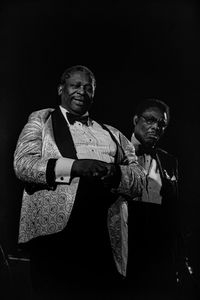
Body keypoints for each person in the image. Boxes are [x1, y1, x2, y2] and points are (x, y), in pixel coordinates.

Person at [13, 65, 146, 300]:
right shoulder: (41, 121)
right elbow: (23, 164)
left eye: (88, 88)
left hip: (104, 235)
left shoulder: (113, 133)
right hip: (56, 235)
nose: (82, 91)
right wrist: (75, 167)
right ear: (60, 89)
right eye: (75, 85)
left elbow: (138, 180)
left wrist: (115, 173)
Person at [125, 98, 195, 300]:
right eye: (150, 120)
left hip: (158, 252)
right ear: (136, 119)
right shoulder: (115, 151)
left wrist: (181, 260)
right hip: (126, 246)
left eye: (161, 124)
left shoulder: (169, 161)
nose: (156, 127)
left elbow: (173, 212)